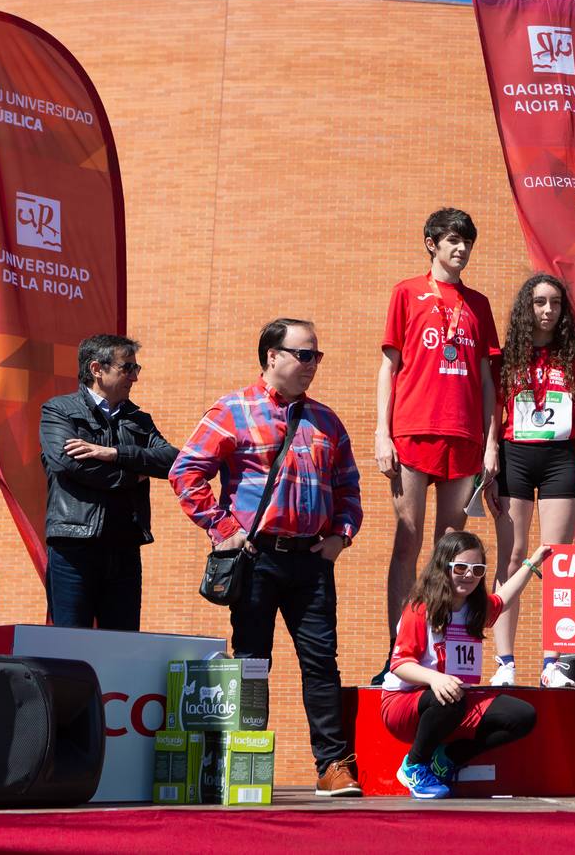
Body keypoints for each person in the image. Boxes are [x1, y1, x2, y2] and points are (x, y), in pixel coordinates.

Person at [170, 318, 364, 797]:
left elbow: (349, 488)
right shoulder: (232, 409)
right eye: (304, 354)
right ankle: (244, 762)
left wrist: (341, 536)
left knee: (322, 665)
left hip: (312, 562)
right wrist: (223, 529)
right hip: (256, 560)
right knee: (253, 662)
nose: (312, 364)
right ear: (272, 356)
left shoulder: (326, 420)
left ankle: (333, 766)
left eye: (317, 355)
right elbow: (186, 472)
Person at [375, 208, 501, 677]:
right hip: (412, 430)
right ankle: (398, 653)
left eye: (467, 241)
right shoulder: (407, 292)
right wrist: (381, 432)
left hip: (465, 436)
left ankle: (439, 649)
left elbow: (489, 381)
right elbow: (389, 366)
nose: (460, 249)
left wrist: (491, 445)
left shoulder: (479, 305)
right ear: (431, 242)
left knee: (449, 549)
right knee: (406, 540)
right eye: (452, 240)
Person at [488, 274, 575, 688]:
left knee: (555, 562)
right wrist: (490, 455)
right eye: (539, 302)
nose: (547, 310)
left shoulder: (572, 356)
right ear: (526, 307)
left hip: (559, 460)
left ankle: (553, 664)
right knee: (512, 558)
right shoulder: (509, 357)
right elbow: (493, 413)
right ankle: (505, 663)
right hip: (515, 455)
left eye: (554, 303)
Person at [382, 532, 549, 799]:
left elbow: (504, 598)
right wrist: (435, 679)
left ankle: (446, 759)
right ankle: (414, 765)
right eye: (460, 568)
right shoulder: (420, 608)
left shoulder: (475, 609)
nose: (469, 576)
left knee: (522, 716)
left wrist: (532, 563)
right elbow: (400, 664)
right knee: (449, 695)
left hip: (454, 699)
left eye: (477, 570)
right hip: (403, 703)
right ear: (443, 567)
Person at [39, 334, 177, 630]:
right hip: (74, 546)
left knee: (123, 643)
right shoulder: (59, 411)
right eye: (127, 368)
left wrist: (113, 453)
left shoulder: (139, 419)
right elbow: (70, 464)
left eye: (136, 369)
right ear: (96, 369)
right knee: (69, 644)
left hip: (125, 547)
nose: (134, 378)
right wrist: (135, 474)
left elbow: (174, 460)